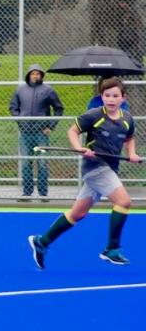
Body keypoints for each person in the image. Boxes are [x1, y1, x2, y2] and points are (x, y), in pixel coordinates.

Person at [27, 77, 138, 269]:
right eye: (107, 95)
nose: (111, 99)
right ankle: (111, 248)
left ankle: (42, 241)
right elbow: (72, 130)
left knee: (78, 213)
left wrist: (132, 154)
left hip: (110, 168)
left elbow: (129, 138)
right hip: (94, 167)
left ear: (123, 98)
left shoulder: (127, 119)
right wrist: (79, 148)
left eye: (115, 96)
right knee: (124, 201)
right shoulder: (94, 115)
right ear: (101, 97)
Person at [10, 64, 64, 199]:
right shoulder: (20, 90)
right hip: (25, 133)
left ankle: (43, 193)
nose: (35, 76)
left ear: (41, 75)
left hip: (41, 134)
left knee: (42, 163)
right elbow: (13, 107)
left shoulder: (48, 90)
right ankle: (27, 192)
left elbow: (59, 108)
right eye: (33, 73)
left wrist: (50, 126)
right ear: (29, 75)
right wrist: (20, 120)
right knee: (26, 163)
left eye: (38, 73)